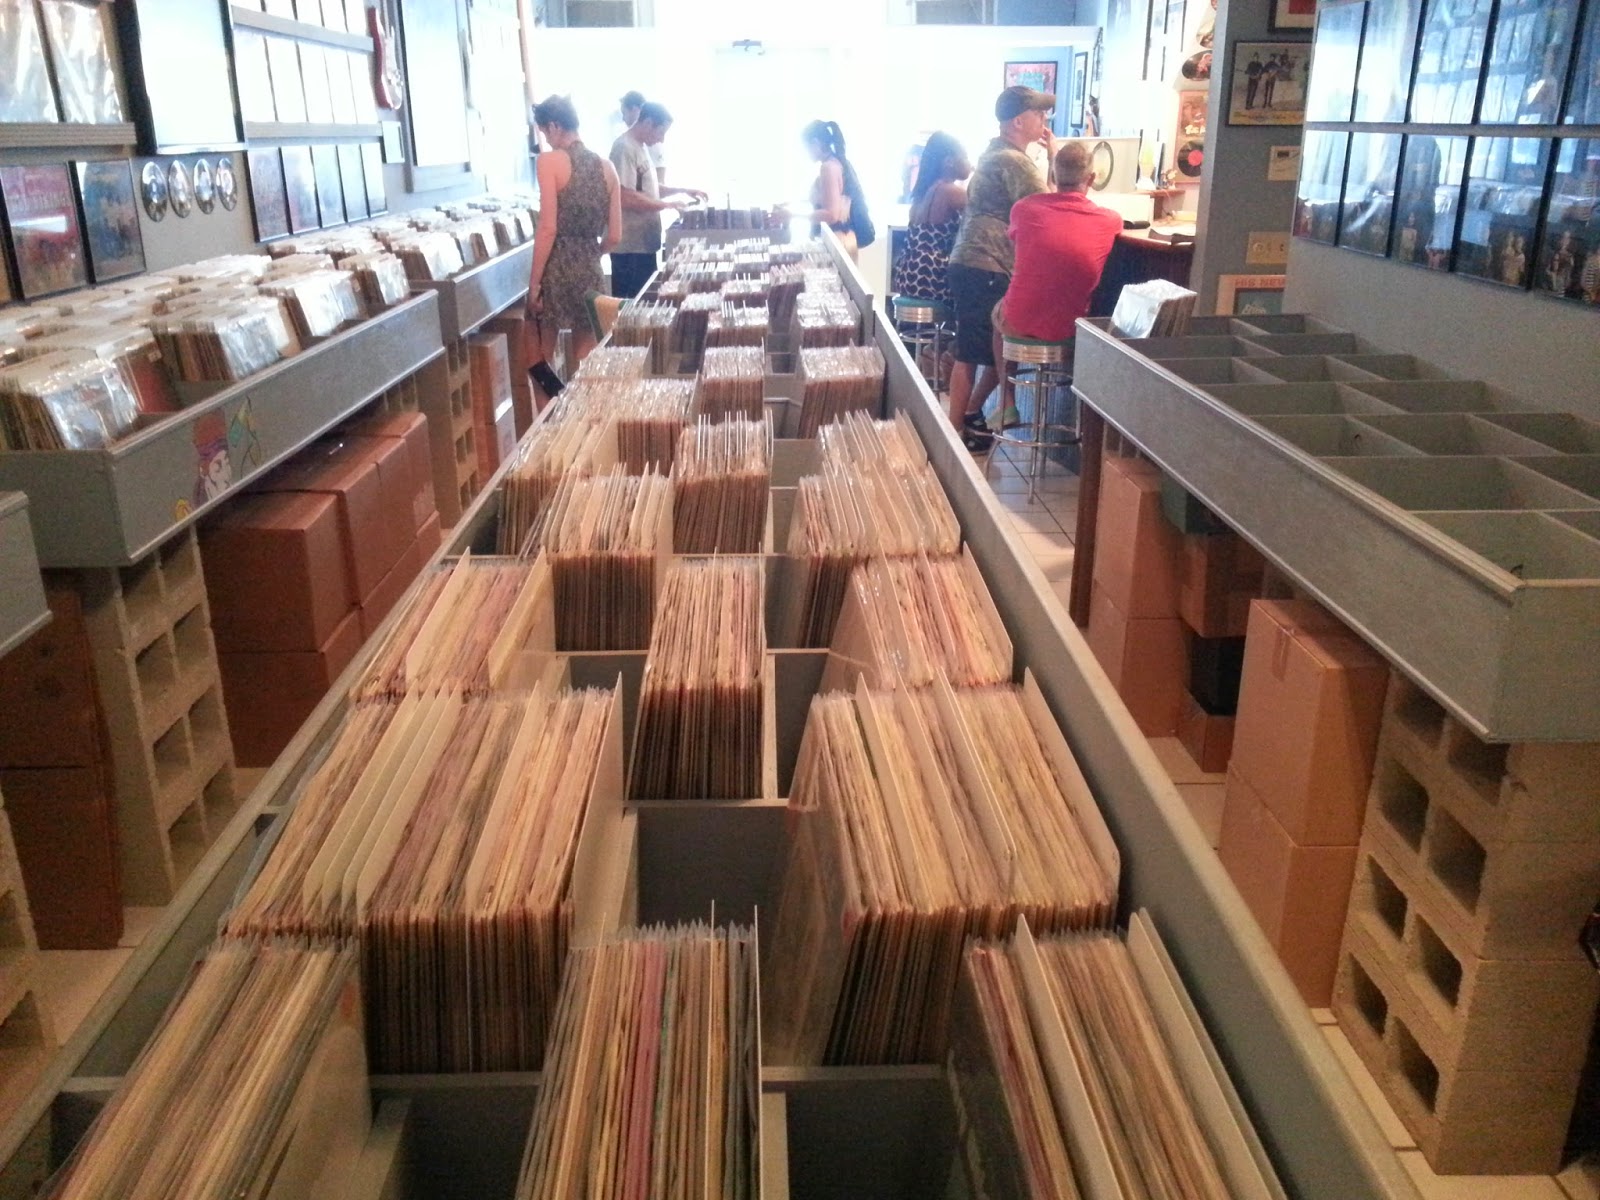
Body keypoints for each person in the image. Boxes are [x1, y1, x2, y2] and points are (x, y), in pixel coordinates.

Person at [945, 85, 1053, 451]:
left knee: (987, 349)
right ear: (1018, 121)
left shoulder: (993, 153)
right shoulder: (1013, 161)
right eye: (1038, 113)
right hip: (987, 263)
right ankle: (954, 436)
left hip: (973, 261)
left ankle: (970, 417)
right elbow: (1049, 208)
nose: (1044, 120)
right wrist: (1055, 157)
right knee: (976, 352)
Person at [991, 141, 1122, 413]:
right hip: (1071, 328)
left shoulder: (1024, 209)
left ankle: (1007, 399)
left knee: (998, 316)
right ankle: (1077, 413)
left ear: (1052, 174)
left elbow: (1020, 249)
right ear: (1091, 179)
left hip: (1019, 321)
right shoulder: (1109, 220)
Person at [526, 94, 622, 393]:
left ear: (555, 126)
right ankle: (581, 414)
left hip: (555, 268)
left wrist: (534, 284)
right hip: (590, 267)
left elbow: (548, 228)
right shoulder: (608, 168)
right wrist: (591, 252)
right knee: (586, 357)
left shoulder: (549, 162)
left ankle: (550, 415)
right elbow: (615, 236)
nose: (546, 139)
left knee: (540, 357)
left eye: (545, 131)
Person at [609, 101, 708, 299]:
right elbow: (624, 196)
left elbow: (650, 190)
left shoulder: (641, 147)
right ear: (647, 123)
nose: (661, 139)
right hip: (630, 248)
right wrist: (667, 205)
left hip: (643, 244)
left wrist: (682, 191)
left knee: (645, 302)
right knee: (632, 306)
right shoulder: (624, 148)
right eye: (661, 132)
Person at [891, 132, 970, 309]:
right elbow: (981, 208)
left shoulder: (923, 192)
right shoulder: (949, 191)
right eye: (965, 157)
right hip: (933, 276)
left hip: (909, 275)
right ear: (949, 162)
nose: (970, 164)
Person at [801, 120, 869, 262]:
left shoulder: (828, 168)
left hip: (836, 240)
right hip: (844, 238)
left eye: (806, 147)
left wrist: (792, 215)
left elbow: (831, 214)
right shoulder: (839, 163)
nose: (805, 153)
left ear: (815, 143)